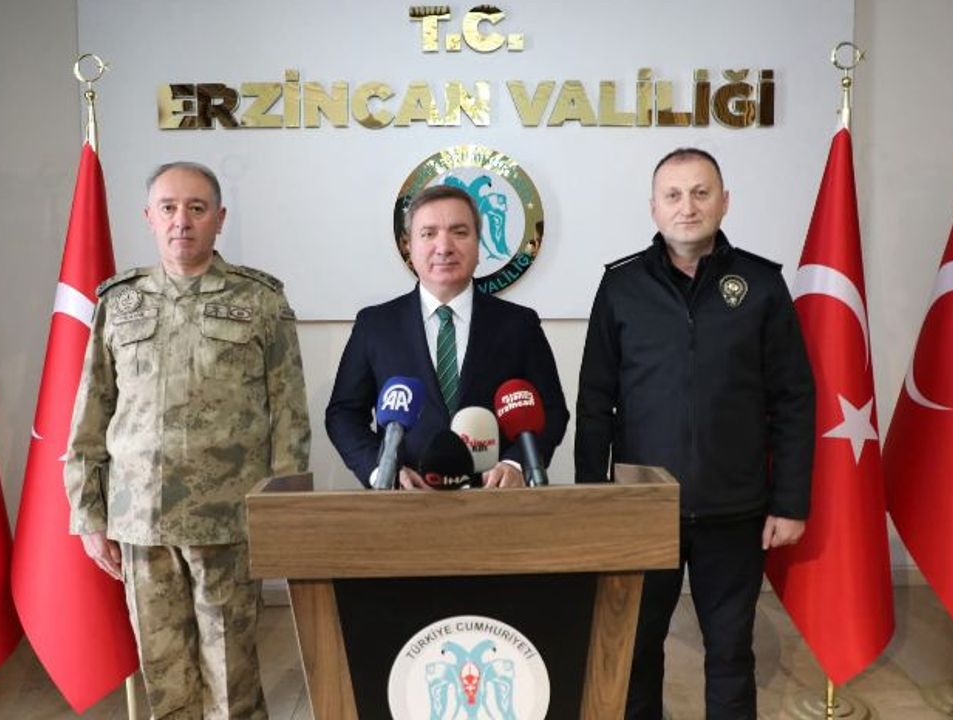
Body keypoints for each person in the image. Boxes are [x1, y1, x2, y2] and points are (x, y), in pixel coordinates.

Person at [64, 161, 310, 719]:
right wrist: (87, 512)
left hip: (228, 521)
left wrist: (284, 518)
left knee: (232, 677)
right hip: (141, 520)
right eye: (169, 208)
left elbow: (290, 418)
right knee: (165, 677)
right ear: (149, 217)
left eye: (197, 209)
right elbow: (91, 411)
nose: (182, 221)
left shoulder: (260, 300)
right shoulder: (119, 303)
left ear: (219, 219)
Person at [575, 148, 814, 719]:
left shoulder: (760, 284)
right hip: (642, 508)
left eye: (701, 193)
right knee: (636, 652)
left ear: (724, 202)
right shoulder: (621, 286)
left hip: (734, 510)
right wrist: (593, 498)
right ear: (654, 207)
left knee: (730, 653)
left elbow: (794, 400)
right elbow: (594, 402)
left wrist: (790, 502)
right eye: (674, 195)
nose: (688, 207)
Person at [325, 184, 568, 490]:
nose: (444, 247)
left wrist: (515, 464)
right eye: (428, 234)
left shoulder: (520, 325)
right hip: (406, 500)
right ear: (408, 246)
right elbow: (344, 414)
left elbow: (551, 410)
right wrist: (381, 471)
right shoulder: (375, 325)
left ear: (478, 244)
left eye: (459, 232)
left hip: (495, 500)